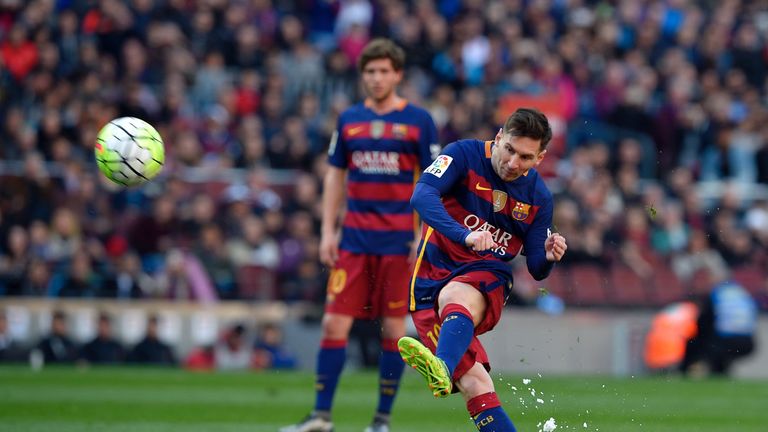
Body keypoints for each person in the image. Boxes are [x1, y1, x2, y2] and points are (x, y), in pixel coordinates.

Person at [282, 38, 439, 432]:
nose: (376, 78)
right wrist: (327, 230)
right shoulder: (349, 119)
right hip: (353, 239)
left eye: (384, 71)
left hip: (399, 243)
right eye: (370, 71)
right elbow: (335, 174)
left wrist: (422, 234)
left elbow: (433, 181)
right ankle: (321, 416)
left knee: (392, 329)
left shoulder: (419, 121)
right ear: (362, 75)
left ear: (398, 74)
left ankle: (381, 420)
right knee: (333, 324)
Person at [397, 108, 567, 431]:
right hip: (427, 283)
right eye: (510, 150)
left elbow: (536, 269)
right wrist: (465, 234)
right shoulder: (463, 155)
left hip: (487, 277)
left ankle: (442, 368)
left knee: (456, 293)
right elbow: (421, 195)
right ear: (499, 137)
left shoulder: (539, 197)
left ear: (541, 158)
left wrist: (547, 255)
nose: (514, 163)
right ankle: (445, 369)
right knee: (476, 384)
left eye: (526, 158)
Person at [680, 269, 758, 377]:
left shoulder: (717, 293)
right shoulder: (742, 293)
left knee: (699, 343)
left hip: (725, 339)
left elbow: (705, 321)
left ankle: (693, 370)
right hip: (748, 342)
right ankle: (720, 373)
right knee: (719, 353)